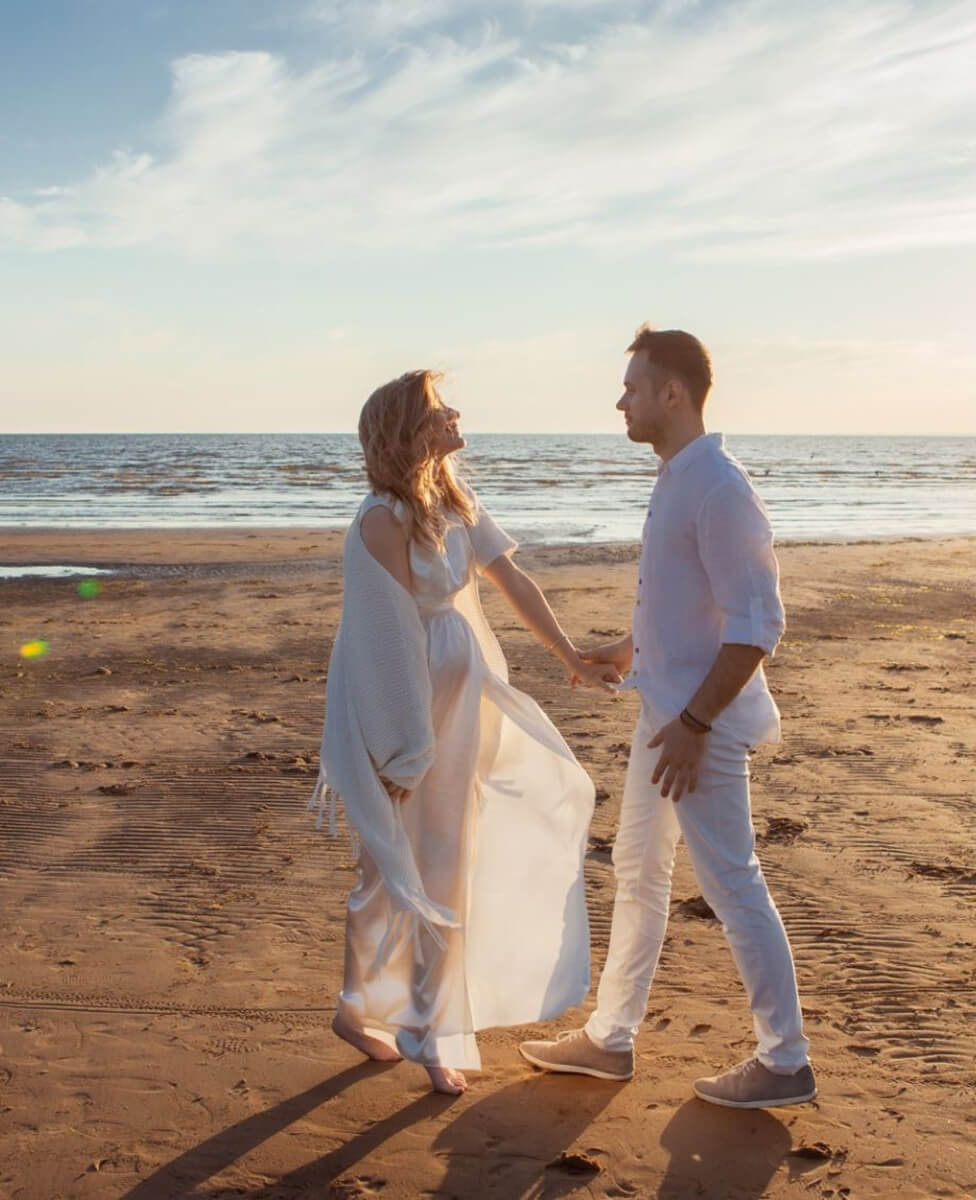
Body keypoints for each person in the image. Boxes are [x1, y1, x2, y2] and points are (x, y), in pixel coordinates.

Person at [519, 326, 816, 1108]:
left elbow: (758, 624)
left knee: (730, 882)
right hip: (667, 714)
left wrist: (692, 725)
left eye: (633, 386)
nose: (621, 399)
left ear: (671, 394)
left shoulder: (718, 486)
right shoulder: (680, 478)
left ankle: (784, 1058)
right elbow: (698, 611)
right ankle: (609, 1039)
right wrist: (627, 652)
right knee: (638, 871)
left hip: (699, 730)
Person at [310, 369, 619, 1095]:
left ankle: (414, 1020)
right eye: (440, 408)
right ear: (410, 430)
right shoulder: (380, 519)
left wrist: (569, 656)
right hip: (408, 702)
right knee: (392, 861)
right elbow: (384, 638)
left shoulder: (452, 499)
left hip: (468, 689)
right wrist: (401, 745)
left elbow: (514, 582)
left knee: (444, 853)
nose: (455, 413)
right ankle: (380, 1015)